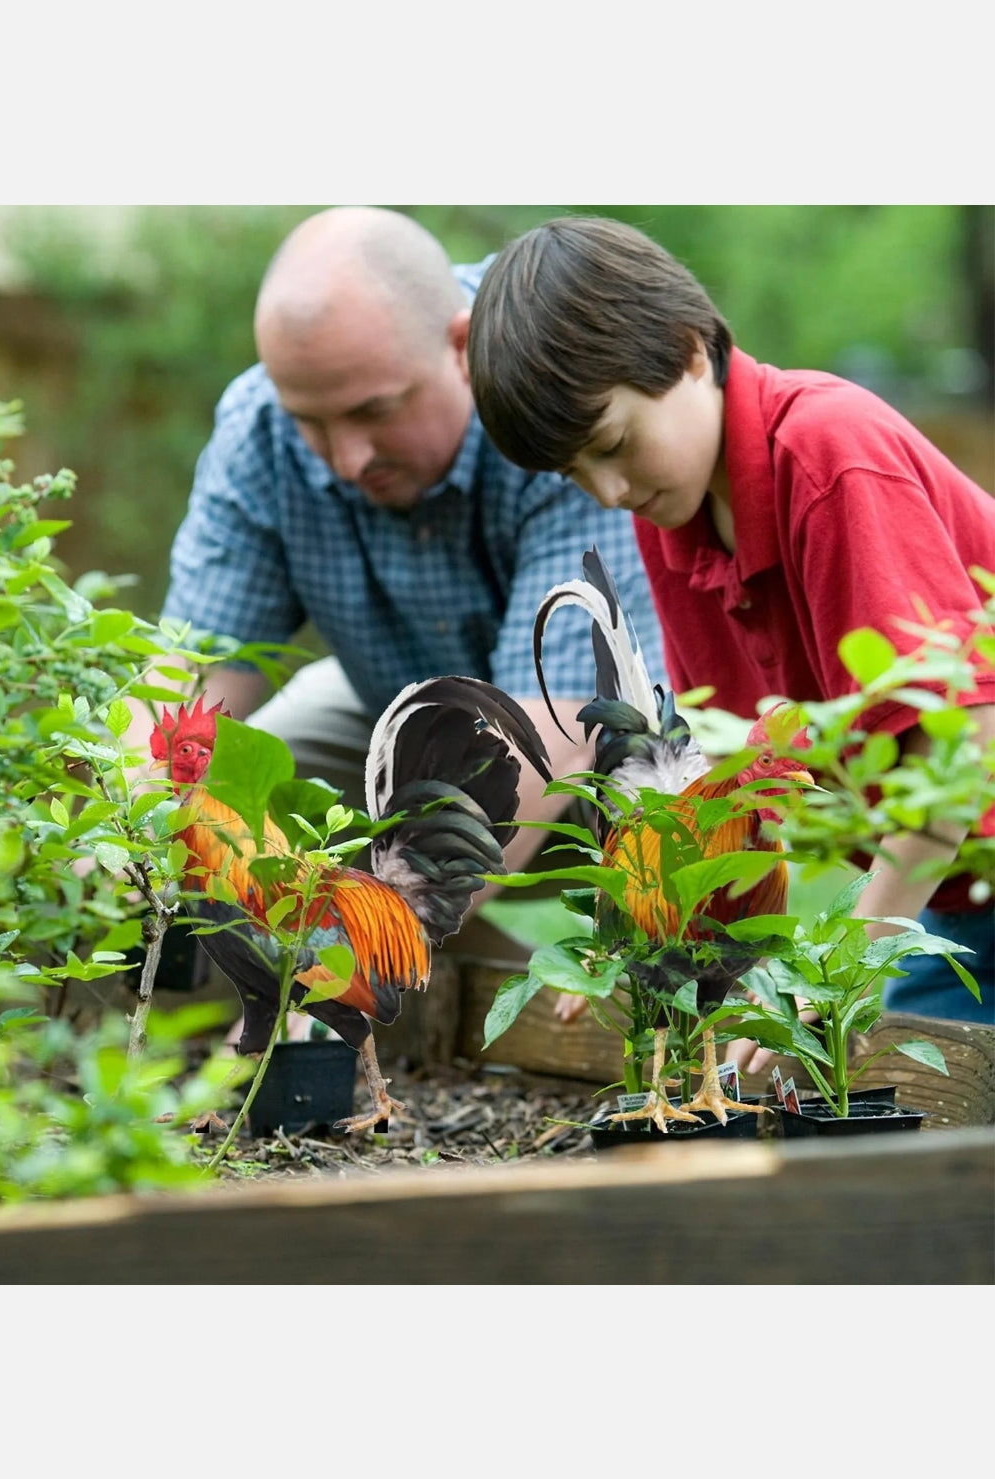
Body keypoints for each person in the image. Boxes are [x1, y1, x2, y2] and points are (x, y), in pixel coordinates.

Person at [464, 212, 995, 1044]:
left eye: (612, 443)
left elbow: (962, 745)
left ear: (688, 350)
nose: (605, 491)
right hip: (956, 899)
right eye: (574, 473)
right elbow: (731, 773)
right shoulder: (670, 518)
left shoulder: (828, 455)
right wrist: (654, 949)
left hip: (953, 865)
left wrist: (834, 983)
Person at [143, 206, 665, 978]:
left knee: (667, 875)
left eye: (374, 412)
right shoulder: (260, 428)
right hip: (395, 707)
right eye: (312, 424)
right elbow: (191, 675)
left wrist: (367, 949)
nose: (347, 458)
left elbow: (551, 722)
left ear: (460, 347)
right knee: (247, 777)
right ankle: (242, 993)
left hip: (599, 731)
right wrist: (127, 819)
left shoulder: (548, 377)